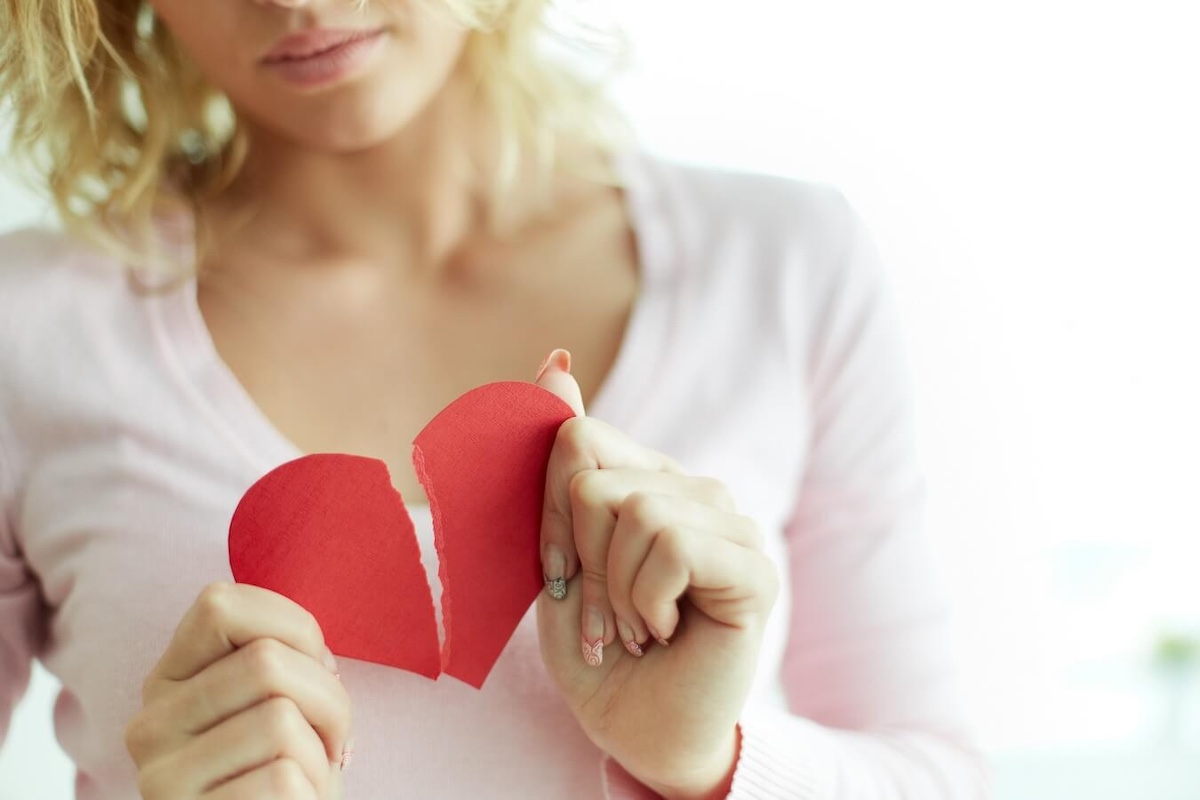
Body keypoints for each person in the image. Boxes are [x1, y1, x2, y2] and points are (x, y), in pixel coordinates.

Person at [0, 0, 989, 798]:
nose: (295, 3)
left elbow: (938, 775)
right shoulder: (30, 329)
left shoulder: (784, 266)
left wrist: (705, 759)